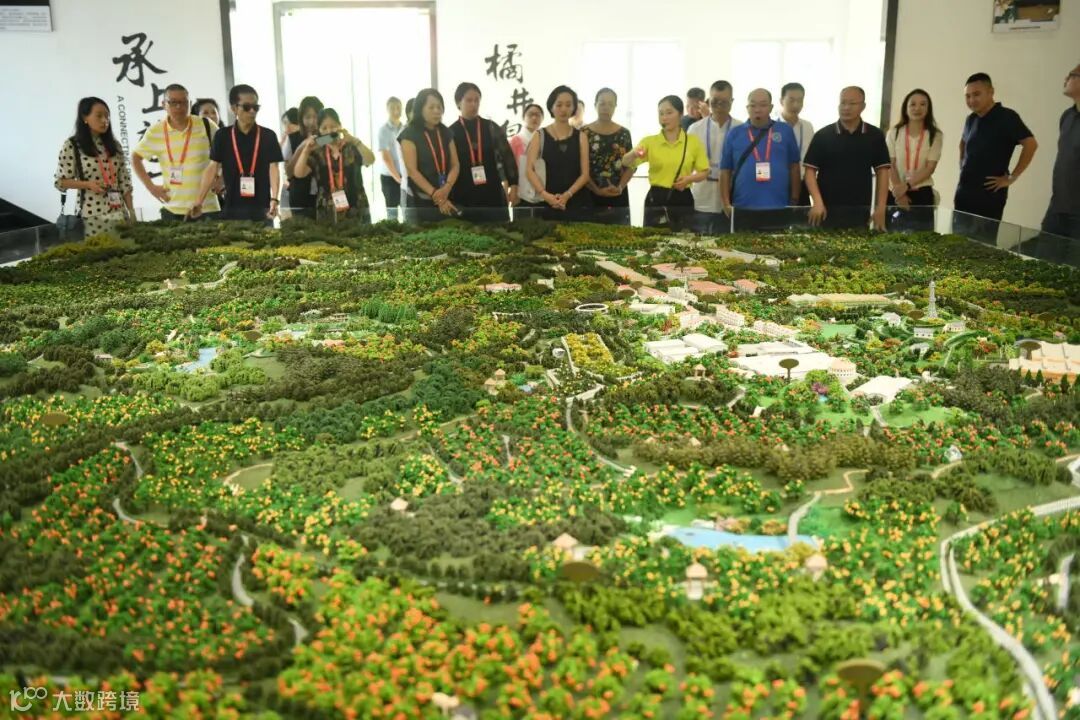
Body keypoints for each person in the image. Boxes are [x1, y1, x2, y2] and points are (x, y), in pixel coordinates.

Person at [954, 73, 1037, 238]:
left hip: (989, 194)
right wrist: (962, 164)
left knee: (984, 244)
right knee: (958, 241)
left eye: (976, 94)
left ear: (991, 92)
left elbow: (1031, 144)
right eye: (967, 96)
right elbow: (962, 143)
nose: (971, 100)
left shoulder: (1007, 117)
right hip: (964, 192)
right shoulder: (971, 119)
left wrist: (1012, 177)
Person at [191, 84, 283, 223]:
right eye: (247, 107)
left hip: (262, 210)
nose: (252, 111)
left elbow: (274, 168)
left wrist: (275, 199)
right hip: (231, 209)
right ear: (234, 108)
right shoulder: (222, 136)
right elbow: (212, 167)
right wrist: (199, 201)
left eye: (256, 107)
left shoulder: (268, 136)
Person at [803, 86, 891, 230]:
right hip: (826, 211)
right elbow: (810, 171)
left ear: (863, 106)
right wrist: (817, 202)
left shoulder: (874, 135)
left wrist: (880, 207)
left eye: (852, 103)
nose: (846, 107)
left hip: (860, 211)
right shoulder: (823, 135)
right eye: (843, 103)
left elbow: (883, 172)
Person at [132, 83, 221, 221]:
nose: (179, 107)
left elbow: (227, 153)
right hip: (172, 208)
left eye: (183, 102)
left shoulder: (206, 125)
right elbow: (135, 157)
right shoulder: (155, 131)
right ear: (164, 104)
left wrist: (221, 178)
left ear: (190, 104)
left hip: (207, 207)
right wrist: (151, 187)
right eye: (173, 102)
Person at [622, 95, 710, 230]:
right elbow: (625, 162)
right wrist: (634, 153)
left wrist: (689, 179)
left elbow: (704, 171)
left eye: (669, 113)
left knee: (684, 239)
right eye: (661, 113)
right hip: (656, 198)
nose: (664, 117)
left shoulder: (693, 142)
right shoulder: (650, 141)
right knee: (653, 239)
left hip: (682, 197)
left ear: (680, 114)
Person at [719, 89, 800, 230]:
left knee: (779, 244)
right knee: (742, 244)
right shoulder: (734, 133)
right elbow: (725, 171)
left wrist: (794, 199)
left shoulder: (785, 131)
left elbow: (794, 167)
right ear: (747, 108)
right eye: (753, 105)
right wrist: (726, 204)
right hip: (743, 207)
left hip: (779, 206)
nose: (757, 109)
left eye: (763, 105)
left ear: (771, 107)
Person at [54, 97, 135, 237]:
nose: (105, 120)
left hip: (119, 213)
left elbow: (125, 183)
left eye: (107, 116)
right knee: (100, 249)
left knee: (126, 248)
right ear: (84, 118)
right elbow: (60, 182)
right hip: (92, 216)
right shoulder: (72, 145)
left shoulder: (115, 145)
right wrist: (88, 185)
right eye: (99, 116)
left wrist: (131, 212)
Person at [449, 82, 518, 222]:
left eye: (477, 100)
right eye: (469, 100)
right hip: (463, 193)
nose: (473, 104)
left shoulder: (491, 127)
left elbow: (507, 157)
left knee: (499, 230)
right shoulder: (451, 132)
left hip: (492, 191)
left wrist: (514, 185)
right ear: (458, 102)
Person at [290, 108, 374, 223]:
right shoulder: (318, 152)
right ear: (319, 130)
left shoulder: (352, 147)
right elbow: (299, 174)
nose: (329, 131)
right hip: (327, 210)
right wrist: (306, 150)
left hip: (356, 206)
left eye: (333, 126)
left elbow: (370, 160)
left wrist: (355, 141)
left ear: (340, 126)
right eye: (324, 128)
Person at [526, 86, 591, 221]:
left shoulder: (581, 136)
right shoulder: (539, 135)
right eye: (559, 105)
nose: (563, 109)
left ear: (574, 108)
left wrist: (567, 195)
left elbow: (585, 175)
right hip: (545, 202)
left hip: (575, 201)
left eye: (568, 105)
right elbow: (529, 170)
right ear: (551, 107)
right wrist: (545, 195)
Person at [398, 87, 460, 222]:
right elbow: (412, 171)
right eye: (431, 107)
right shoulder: (409, 135)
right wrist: (436, 195)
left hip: (447, 195)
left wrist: (447, 187)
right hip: (421, 201)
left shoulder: (446, 132)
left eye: (439, 107)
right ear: (420, 109)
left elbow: (455, 164)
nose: (437, 111)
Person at [886, 89, 943, 231]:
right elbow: (890, 164)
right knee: (891, 237)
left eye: (923, 104)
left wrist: (906, 186)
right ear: (905, 108)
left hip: (921, 193)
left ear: (928, 109)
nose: (917, 108)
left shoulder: (935, 135)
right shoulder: (894, 133)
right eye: (913, 104)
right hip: (895, 192)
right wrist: (899, 192)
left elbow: (930, 168)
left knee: (922, 238)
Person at [688, 80, 740, 233]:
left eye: (724, 101)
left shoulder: (741, 129)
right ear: (708, 101)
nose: (719, 105)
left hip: (732, 199)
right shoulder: (695, 129)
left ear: (732, 101)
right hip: (701, 197)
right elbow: (687, 164)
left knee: (728, 243)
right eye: (715, 100)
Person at [584, 88, 634, 224]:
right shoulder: (583, 133)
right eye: (602, 103)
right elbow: (579, 167)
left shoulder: (624, 133)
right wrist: (596, 190)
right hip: (589, 194)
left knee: (619, 235)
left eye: (610, 104)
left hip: (618, 194)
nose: (606, 108)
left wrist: (620, 187)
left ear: (615, 107)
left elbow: (632, 165)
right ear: (595, 105)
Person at [1042, 63, 1080, 240]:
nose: (1066, 79)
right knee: (1044, 254)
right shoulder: (1067, 116)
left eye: (1071, 75)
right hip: (1057, 208)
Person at [283, 95, 324, 219]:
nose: (312, 121)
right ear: (301, 118)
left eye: (316, 117)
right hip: (300, 198)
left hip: (324, 196)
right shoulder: (292, 138)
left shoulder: (326, 138)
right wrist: (301, 148)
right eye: (308, 117)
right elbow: (289, 173)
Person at [778, 82, 814, 204]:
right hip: (777, 184)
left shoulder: (807, 126)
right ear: (781, 101)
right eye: (791, 100)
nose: (796, 104)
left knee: (802, 216)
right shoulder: (772, 126)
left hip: (802, 184)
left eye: (800, 100)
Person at [509, 103, 544, 215]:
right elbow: (510, 168)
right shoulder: (515, 141)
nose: (534, 118)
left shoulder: (544, 140)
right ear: (523, 117)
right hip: (521, 192)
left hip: (542, 190)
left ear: (542, 118)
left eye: (538, 115)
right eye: (530, 114)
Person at [377, 96, 405, 220]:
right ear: (387, 110)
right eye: (392, 108)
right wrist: (398, 178)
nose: (396, 111)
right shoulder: (383, 130)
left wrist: (403, 178)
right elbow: (386, 157)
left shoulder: (405, 129)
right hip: (389, 177)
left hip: (404, 176)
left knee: (406, 211)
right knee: (392, 214)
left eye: (398, 108)